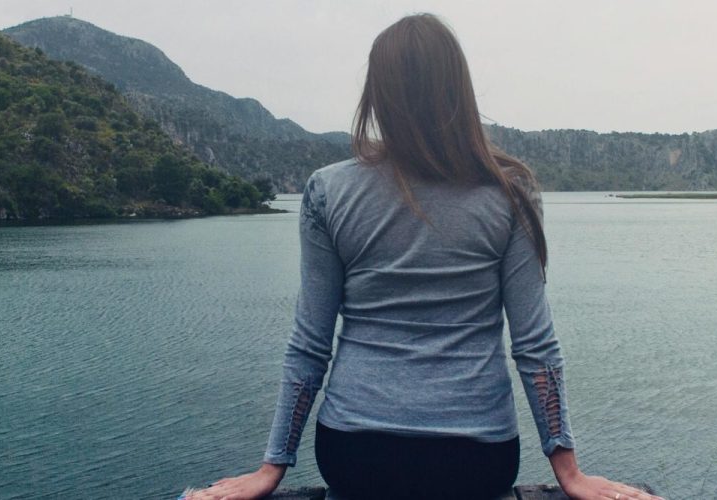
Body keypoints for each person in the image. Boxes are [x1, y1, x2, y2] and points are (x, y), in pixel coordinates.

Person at [186, 13, 660, 500]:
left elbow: (309, 344)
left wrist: (272, 467)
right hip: (477, 457)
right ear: (457, 89)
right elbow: (535, 345)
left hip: (354, 454)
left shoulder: (327, 191)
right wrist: (569, 472)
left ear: (378, 93)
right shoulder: (510, 193)